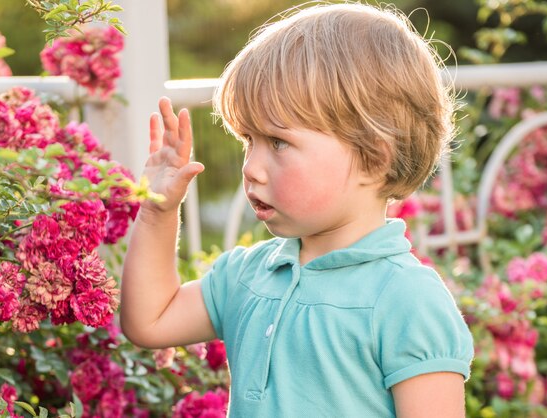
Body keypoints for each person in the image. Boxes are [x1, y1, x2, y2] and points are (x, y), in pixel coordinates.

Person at [121, 2, 474, 417]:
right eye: (248, 141)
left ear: (373, 160)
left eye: (278, 143)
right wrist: (158, 212)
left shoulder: (406, 300)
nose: (251, 167)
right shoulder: (247, 277)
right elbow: (150, 320)